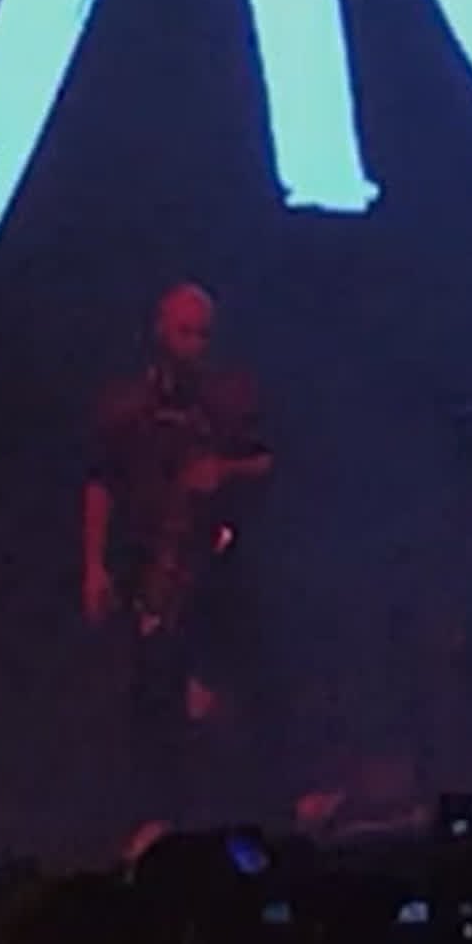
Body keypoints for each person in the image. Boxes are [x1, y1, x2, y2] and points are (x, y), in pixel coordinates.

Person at [82, 285, 276, 837]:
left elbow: (267, 460)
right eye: (184, 331)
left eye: (203, 334)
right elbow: (99, 482)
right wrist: (94, 564)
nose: (194, 344)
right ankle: (159, 816)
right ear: (160, 331)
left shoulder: (230, 396)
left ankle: (258, 804)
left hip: (217, 564)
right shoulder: (125, 405)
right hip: (150, 564)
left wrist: (223, 472)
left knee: (238, 685)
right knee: (153, 694)